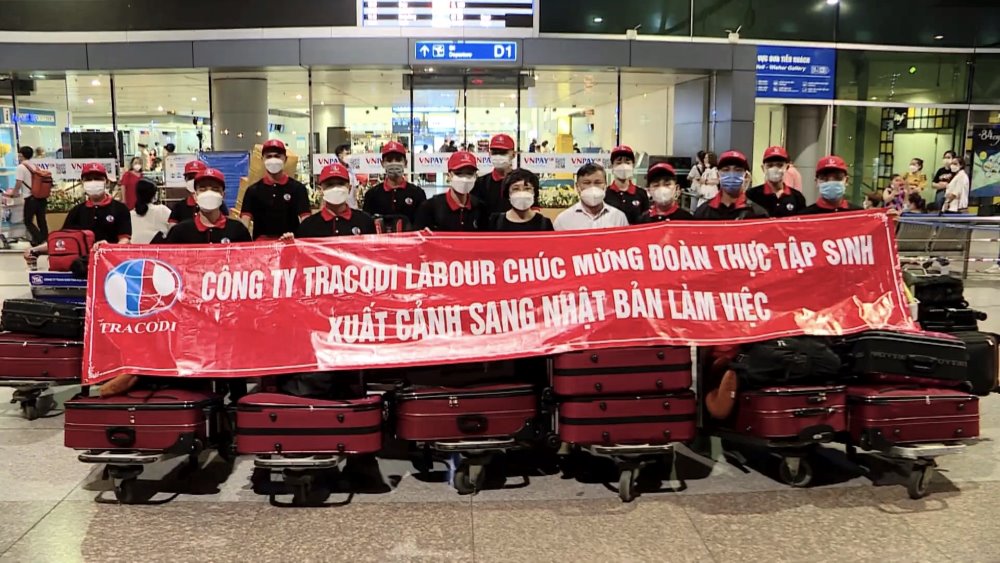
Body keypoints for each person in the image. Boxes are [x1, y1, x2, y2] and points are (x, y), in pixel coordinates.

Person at [23, 163, 131, 263]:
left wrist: (108, 248)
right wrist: (35, 250)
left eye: (98, 179)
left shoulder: (120, 209)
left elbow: (125, 240)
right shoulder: (77, 211)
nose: (93, 182)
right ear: (82, 183)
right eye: (88, 179)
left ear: (106, 182)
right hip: (82, 265)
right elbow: (62, 240)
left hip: (111, 263)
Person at [239, 139, 310, 240]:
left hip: (290, 244)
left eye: (277, 156)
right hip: (262, 247)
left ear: (285, 159)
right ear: (262, 159)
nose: (273, 160)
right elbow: (245, 222)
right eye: (269, 156)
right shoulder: (253, 191)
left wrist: (302, 241)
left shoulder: (298, 188)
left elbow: (306, 221)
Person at [166, 168, 251, 244]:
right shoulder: (180, 232)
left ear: (223, 195)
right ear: (195, 196)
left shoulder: (238, 230)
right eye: (203, 189)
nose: (209, 194)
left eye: (215, 189)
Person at [414, 151, 488, 232]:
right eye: (458, 173)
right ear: (449, 176)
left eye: (469, 173)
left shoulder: (481, 209)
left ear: (475, 176)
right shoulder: (429, 208)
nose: (464, 178)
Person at [298, 163, 377, 238]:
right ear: (320, 190)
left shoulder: (366, 221)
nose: (335, 188)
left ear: (349, 188)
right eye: (330, 184)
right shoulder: (307, 226)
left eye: (340, 184)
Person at [362, 141, 426, 226]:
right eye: (389, 160)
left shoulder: (418, 193)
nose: (394, 163)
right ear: (382, 164)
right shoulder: (371, 195)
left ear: (405, 163)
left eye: (398, 159)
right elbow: (367, 226)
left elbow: (423, 225)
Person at [693, 151, 768, 220]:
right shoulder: (703, 212)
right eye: (726, 170)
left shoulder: (758, 214)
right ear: (718, 175)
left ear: (745, 176)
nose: (731, 174)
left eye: (738, 170)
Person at [553, 163, 629, 231]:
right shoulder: (563, 220)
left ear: (605, 185)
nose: (592, 187)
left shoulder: (619, 218)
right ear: (577, 187)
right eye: (587, 183)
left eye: (598, 182)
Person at [471, 134, 528, 218]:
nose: (498, 156)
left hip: (516, 230)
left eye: (503, 152)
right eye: (495, 152)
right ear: (490, 154)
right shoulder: (480, 183)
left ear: (514, 154)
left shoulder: (524, 182)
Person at [746, 146, 806, 217]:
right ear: (763, 168)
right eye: (770, 165)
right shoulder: (752, 195)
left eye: (779, 165)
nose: (775, 169)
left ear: (787, 167)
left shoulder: (797, 197)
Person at [604, 145, 650, 224]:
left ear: (633, 166)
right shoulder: (605, 194)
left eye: (627, 162)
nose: (623, 166)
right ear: (612, 167)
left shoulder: (641, 194)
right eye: (618, 163)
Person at [16, 146, 48, 245]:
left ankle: (40, 239)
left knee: (28, 221)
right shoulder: (34, 165)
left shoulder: (21, 167)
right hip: (41, 197)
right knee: (41, 220)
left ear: (21, 155)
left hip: (31, 198)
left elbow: (19, 182)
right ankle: (46, 239)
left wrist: (14, 192)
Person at [130, 179, 171, 244]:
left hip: (134, 251)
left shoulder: (129, 215)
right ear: (154, 194)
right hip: (158, 250)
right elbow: (173, 228)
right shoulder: (162, 210)